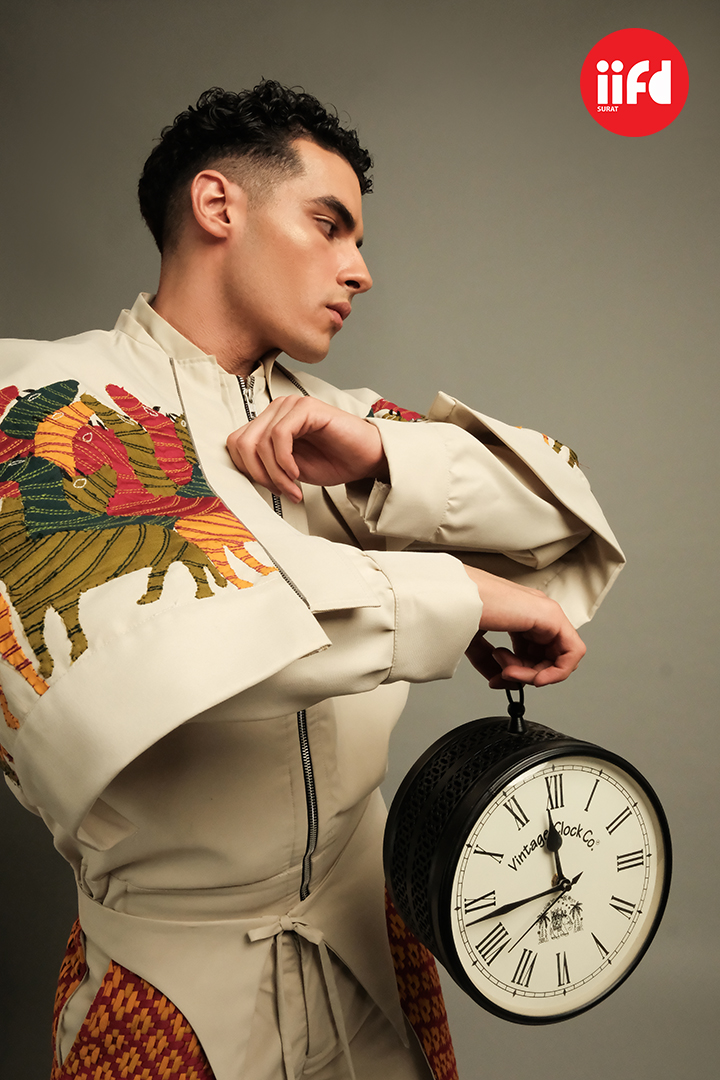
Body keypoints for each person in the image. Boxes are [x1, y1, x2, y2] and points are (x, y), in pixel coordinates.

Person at [0, 82, 623, 1080]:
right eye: (330, 225)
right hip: (170, 982)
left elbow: (564, 512)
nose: (360, 270)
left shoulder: (333, 420)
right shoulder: (41, 402)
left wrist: (381, 455)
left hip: (376, 938)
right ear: (218, 205)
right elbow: (190, 634)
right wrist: (465, 595)